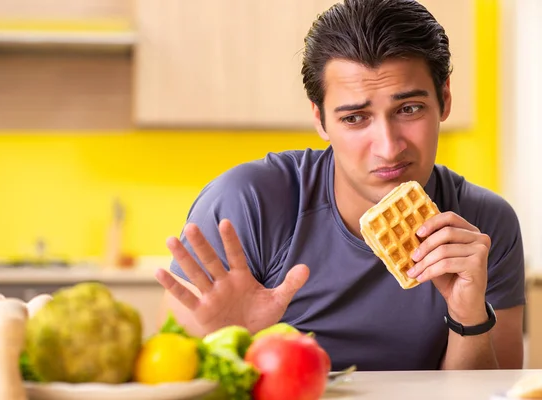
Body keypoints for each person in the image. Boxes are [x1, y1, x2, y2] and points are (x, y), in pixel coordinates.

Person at [155, 0, 525, 372]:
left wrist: (468, 316)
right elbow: (173, 382)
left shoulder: (484, 225)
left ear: (444, 99)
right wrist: (227, 341)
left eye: (409, 108)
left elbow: (497, 394)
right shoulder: (246, 205)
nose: (389, 146)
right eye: (355, 117)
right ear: (320, 120)